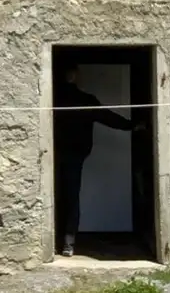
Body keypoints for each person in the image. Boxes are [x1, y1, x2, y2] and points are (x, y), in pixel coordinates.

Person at [53, 66, 146, 257]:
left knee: (61, 195)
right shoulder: (84, 100)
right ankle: (68, 242)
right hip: (73, 154)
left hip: (57, 152)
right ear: (76, 76)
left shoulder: (55, 98)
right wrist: (132, 125)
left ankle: (65, 240)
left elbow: (107, 117)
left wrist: (131, 125)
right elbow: (109, 118)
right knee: (71, 195)